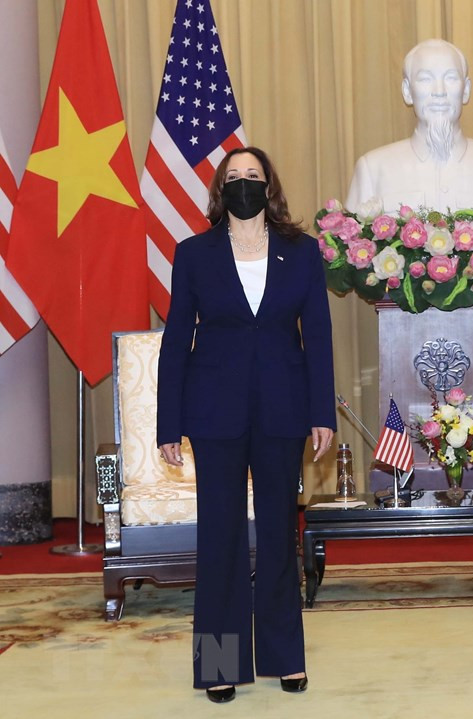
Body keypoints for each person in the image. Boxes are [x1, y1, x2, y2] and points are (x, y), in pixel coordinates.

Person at [156, 146, 336, 703]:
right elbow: (176, 341)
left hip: (283, 412)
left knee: (281, 537)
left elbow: (319, 337)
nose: (243, 184)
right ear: (219, 190)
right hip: (215, 415)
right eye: (233, 177)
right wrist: (168, 423)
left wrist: (321, 413)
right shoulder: (194, 254)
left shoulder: (302, 253)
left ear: (269, 186)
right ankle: (219, 665)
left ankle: (285, 657)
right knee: (220, 539)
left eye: (252, 176)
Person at [345, 38, 473, 214]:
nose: (439, 92)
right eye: (425, 79)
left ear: (465, 90)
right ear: (407, 92)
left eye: (451, 78)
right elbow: (352, 243)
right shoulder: (373, 169)